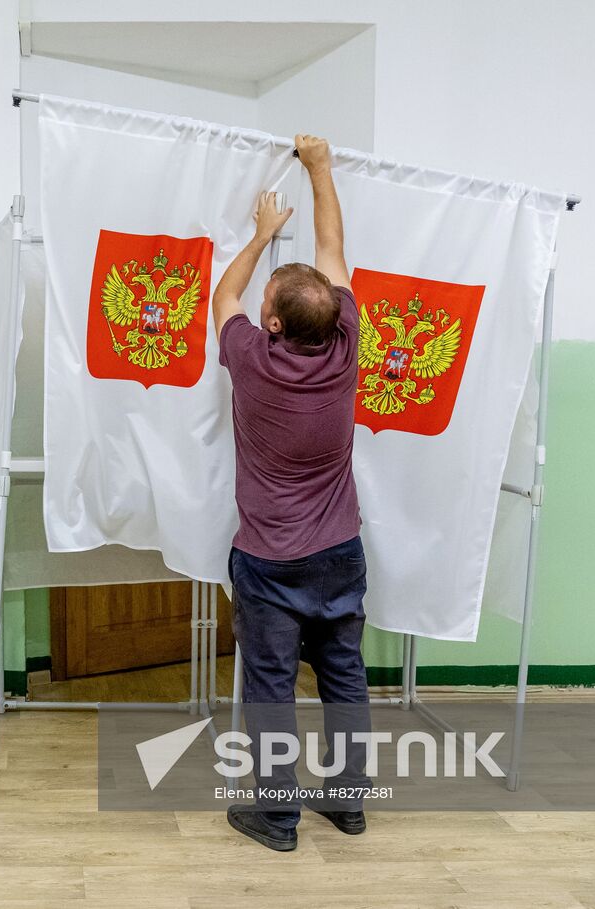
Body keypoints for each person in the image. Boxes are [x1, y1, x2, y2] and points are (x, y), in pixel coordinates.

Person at [211, 134, 373, 852]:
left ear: (273, 323)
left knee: (272, 688)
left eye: (274, 294)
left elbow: (224, 294)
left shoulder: (250, 357)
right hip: (339, 551)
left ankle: (276, 820)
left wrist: (259, 238)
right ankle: (349, 805)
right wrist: (321, 169)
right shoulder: (346, 346)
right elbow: (334, 240)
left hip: (270, 562)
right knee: (343, 674)